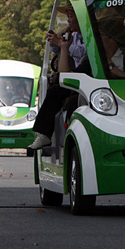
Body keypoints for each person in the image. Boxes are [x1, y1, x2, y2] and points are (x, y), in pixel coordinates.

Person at [29, 9, 89, 150]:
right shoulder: (74, 35)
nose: (69, 20)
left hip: (88, 76)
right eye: (67, 17)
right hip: (75, 75)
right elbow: (57, 51)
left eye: (71, 16)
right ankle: (44, 134)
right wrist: (57, 40)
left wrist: (61, 44)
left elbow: (82, 52)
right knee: (55, 90)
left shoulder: (90, 36)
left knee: (66, 96)